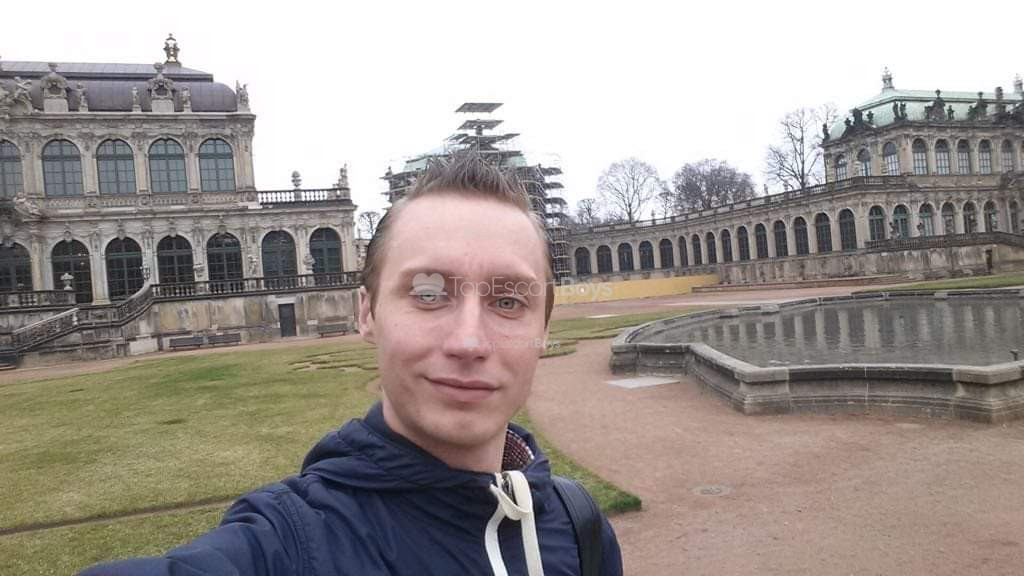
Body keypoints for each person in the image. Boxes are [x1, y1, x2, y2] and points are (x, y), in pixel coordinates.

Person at [80, 154, 623, 575]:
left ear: (542, 328)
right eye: (428, 293)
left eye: (508, 300)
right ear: (367, 312)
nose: (468, 341)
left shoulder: (581, 529)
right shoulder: (291, 544)